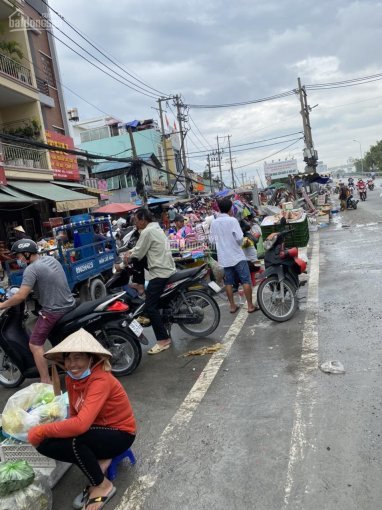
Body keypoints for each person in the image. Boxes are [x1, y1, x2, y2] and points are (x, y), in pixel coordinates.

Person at [27, 329, 136, 510]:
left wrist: (42, 430)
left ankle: (103, 485)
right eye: (68, 358)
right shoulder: (72, 379)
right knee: (46, 444)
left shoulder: (100, 379)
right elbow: (75, 415)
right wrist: (52, 431)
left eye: (78, 358)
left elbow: (81, 425)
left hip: (121, 433)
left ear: (91, 358)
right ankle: (101, 458)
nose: (72, 364)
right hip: (96, 430)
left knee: (74, 440)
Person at [0, 239, 75, 383]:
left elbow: (21, 296)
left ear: (27, 253)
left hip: (54, 311)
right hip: (69, 304)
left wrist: (2, 305)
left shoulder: (31, 269)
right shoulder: (50, 260)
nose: (18, 259)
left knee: (34, 344)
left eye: (19, 256)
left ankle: (45, 381)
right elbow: (47, 282)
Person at [124, 208, 176, 354]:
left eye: (136, 220)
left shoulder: (147, 231)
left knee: (150, 306)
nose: (135, 223)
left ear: (143, 220)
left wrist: (124, 261)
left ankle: (163, 340)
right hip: (167, 268)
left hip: (160, 272)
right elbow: (139, 248)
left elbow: (139, 252)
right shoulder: (156, 227)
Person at [209, 198, 257, 313]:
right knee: (245, 280)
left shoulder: (214, 223)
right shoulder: (232, 221)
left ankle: (232, 306)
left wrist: (222, 243)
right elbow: (240, 239)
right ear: (230, 208)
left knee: (228, 282)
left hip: (224, 258)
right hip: (237, 256)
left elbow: (211, 241)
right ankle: (250, 306)